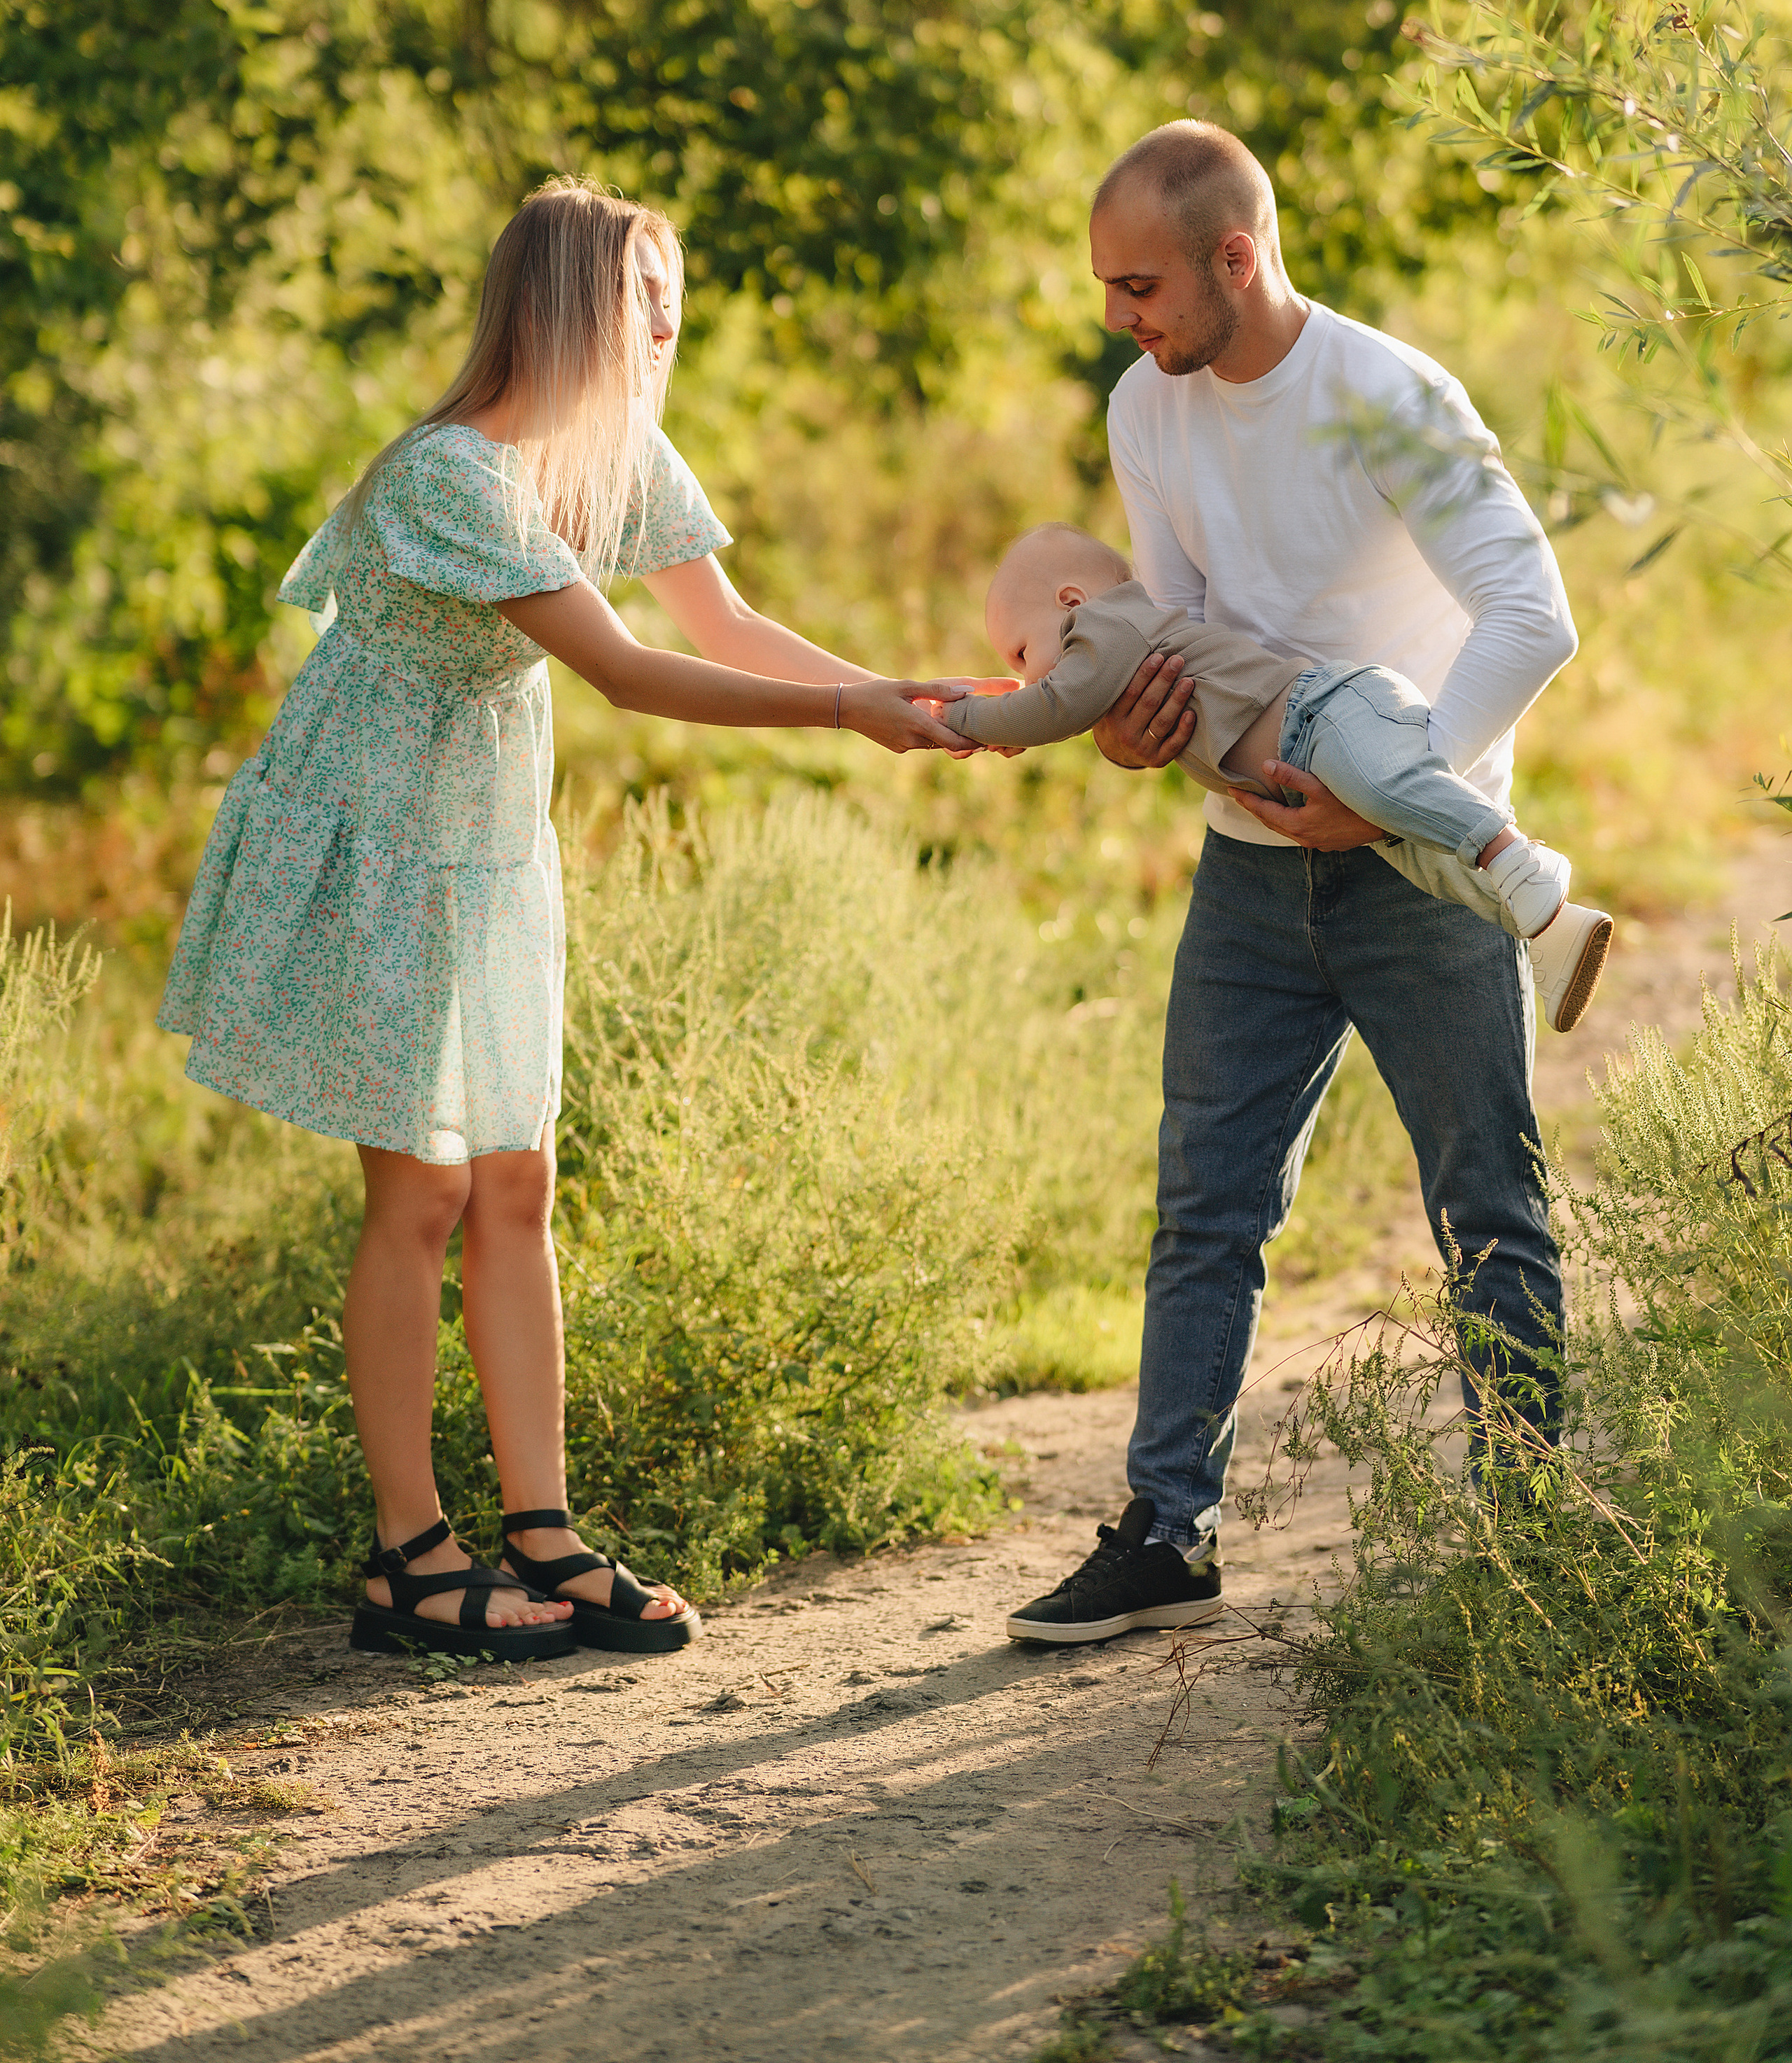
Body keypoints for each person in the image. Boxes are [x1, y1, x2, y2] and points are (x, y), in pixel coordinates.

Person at [159, 177, 973, 1663]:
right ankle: (410, 1553)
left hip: (488, 847)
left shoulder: (616, 457)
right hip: (383, 843)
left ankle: (541, 1527)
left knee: (520, 1183)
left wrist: (900, 689)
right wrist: (845, 716)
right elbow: (630, 671)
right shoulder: (447, 476)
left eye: (673, 301)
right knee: (421, 1196)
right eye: (643, 300)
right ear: (569, 308)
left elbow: (723, 627)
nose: (667, 327)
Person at [1000, 121, 1580, 1648]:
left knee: (1487, 1206)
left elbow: (1531, 616)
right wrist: (1138, 732)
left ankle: (1533, 1541)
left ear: (1233, 259)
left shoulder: (1384, 397)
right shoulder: (1149, 403)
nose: (1117, 318)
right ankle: (1164, 1532)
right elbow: (1180, 623)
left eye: (1137, 286)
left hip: (1422, 871)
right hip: (1250, 871)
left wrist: (1391, 794)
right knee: (1204, 1207)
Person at [943, 523, 1611, 1030]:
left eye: (1022, 652)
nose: (1026, 673)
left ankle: (1515, 856)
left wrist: (971, 719)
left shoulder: (1105, 625)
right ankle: (1556, 929)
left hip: (1324, 713)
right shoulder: (1110, 637)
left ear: (1071, 601)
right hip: (1310, 759)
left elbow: (1055, 706)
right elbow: (1056, 704)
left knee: (1391, 790)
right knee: (1429, 862)